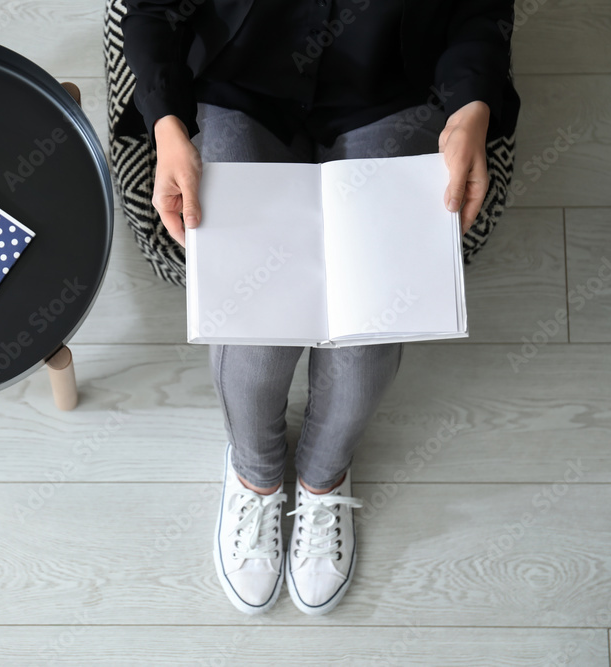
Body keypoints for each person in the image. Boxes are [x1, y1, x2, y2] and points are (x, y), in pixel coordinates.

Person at [120, 0, 519, 615]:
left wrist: (473, 106)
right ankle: (256, 473)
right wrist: (168, 125)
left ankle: (323, 477)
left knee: (369, 336)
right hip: (240, 73)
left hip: (395, 76)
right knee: (255, 333)